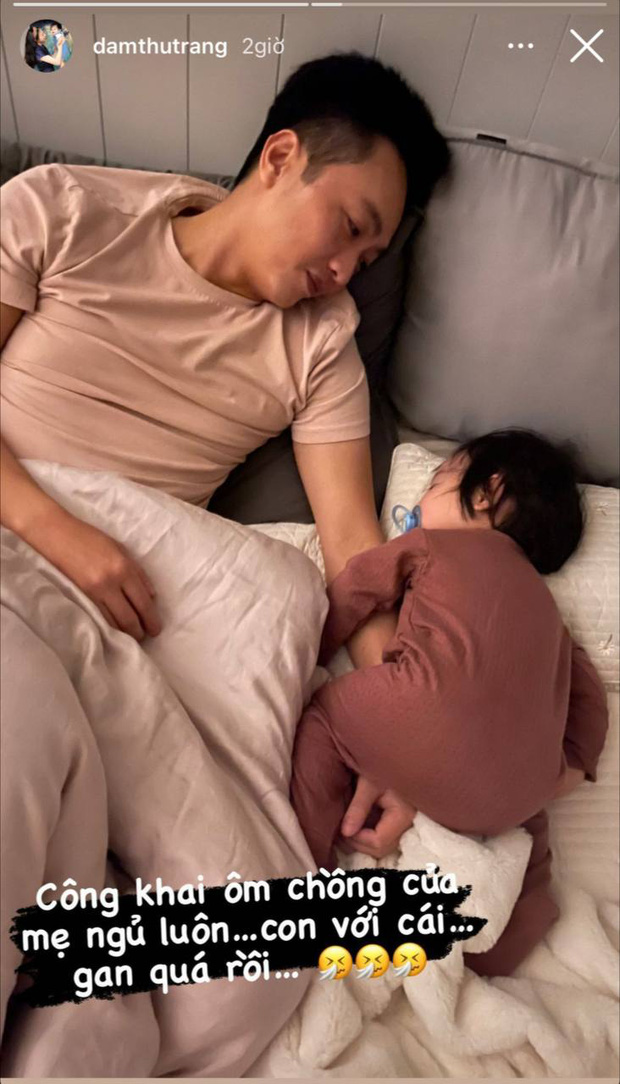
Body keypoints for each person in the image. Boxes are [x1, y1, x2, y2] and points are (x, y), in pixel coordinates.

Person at [1, 52, 449, 856]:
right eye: (350, 229)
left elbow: (353, 549)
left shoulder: (321, 348)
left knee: (238, 920)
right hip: (17, 544)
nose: (344, 271)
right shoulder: (64, 209)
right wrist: (54, 530)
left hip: (117, 622)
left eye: (368, 261)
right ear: (281, 158)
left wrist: (399, 730)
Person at [290, 429, 609, 976]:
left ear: (487, 492)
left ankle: (309, 871)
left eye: (439, 480)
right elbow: (589, 699)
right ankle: (509, 940)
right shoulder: (551, 618)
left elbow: (360, 585)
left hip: (416, 712)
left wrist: (312, 647)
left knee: (324, 716)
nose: (420, 499)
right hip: (518, 787)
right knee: (529, 835)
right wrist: (572, 766)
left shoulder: (434, 545)